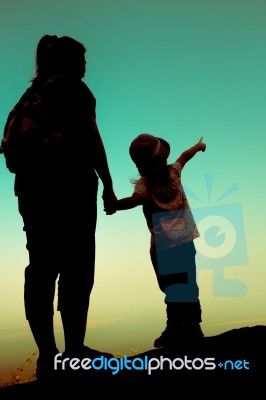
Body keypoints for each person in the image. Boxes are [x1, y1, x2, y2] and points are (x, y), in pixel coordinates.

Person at [1, 35, 116, 379]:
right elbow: (92, 139)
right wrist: (108, 185)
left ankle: (48, 357)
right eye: (81, 59)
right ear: (68, 62)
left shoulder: (31, 94)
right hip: (70, 186)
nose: (85, 66)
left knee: (42, 267)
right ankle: (75, 351)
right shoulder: (75, 91)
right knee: (77, 268)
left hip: (33, 192)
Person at [106, 133, 206, 348]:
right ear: (163, 158)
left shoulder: (145, 184)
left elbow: (135, 201)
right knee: (187, 283)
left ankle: (176, 327)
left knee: (171, 286)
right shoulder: (174, 172)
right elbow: (185, 156)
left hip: (163, 248)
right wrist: (198, 146)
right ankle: (192, 326)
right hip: (185, 242)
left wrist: (115, 205)